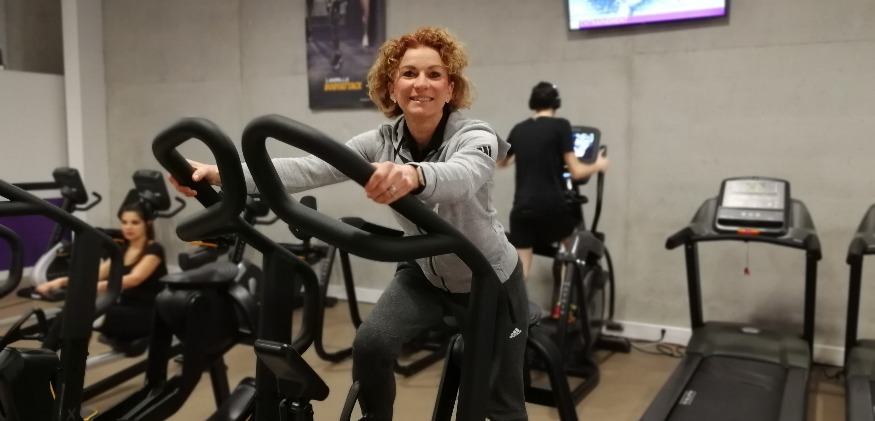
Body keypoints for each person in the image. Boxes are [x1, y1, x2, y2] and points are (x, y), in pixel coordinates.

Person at [170, 26, 530, 421]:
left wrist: (412, 175)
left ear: (450, 88)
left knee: (500, 404)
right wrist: (216, 173)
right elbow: (307, 169)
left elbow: (463, 177)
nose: (421, 84)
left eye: (434, 74)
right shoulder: (380, 141)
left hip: (488, 278)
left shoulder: (475, 135)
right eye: (408, 74)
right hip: (424, 275)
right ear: (392, 88)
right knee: (372, 345)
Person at [497, 81, 609, 280]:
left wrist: (524, 153)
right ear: (556, 103)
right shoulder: (561, 126)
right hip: (552, 207)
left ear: (533, 102)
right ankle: (564, 298)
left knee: (520, 273)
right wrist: (599, 165)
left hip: (522, 210)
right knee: (570, 249)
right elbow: (576, 171)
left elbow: (501, 163)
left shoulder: (519, 129)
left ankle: (512, 302)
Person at [36, 201, 168, 343]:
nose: (128, 227)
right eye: (124, 222)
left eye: (135, 222)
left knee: (82, 314)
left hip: (147, 313)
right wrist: (59, 282)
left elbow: (134, 279)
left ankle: (54, 349)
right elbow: (95, 275)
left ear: (147, 224)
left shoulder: (154, 250)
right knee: (70, 312)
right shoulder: (122, 250)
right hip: (124, 306)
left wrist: (101, 285)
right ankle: (51, 349)